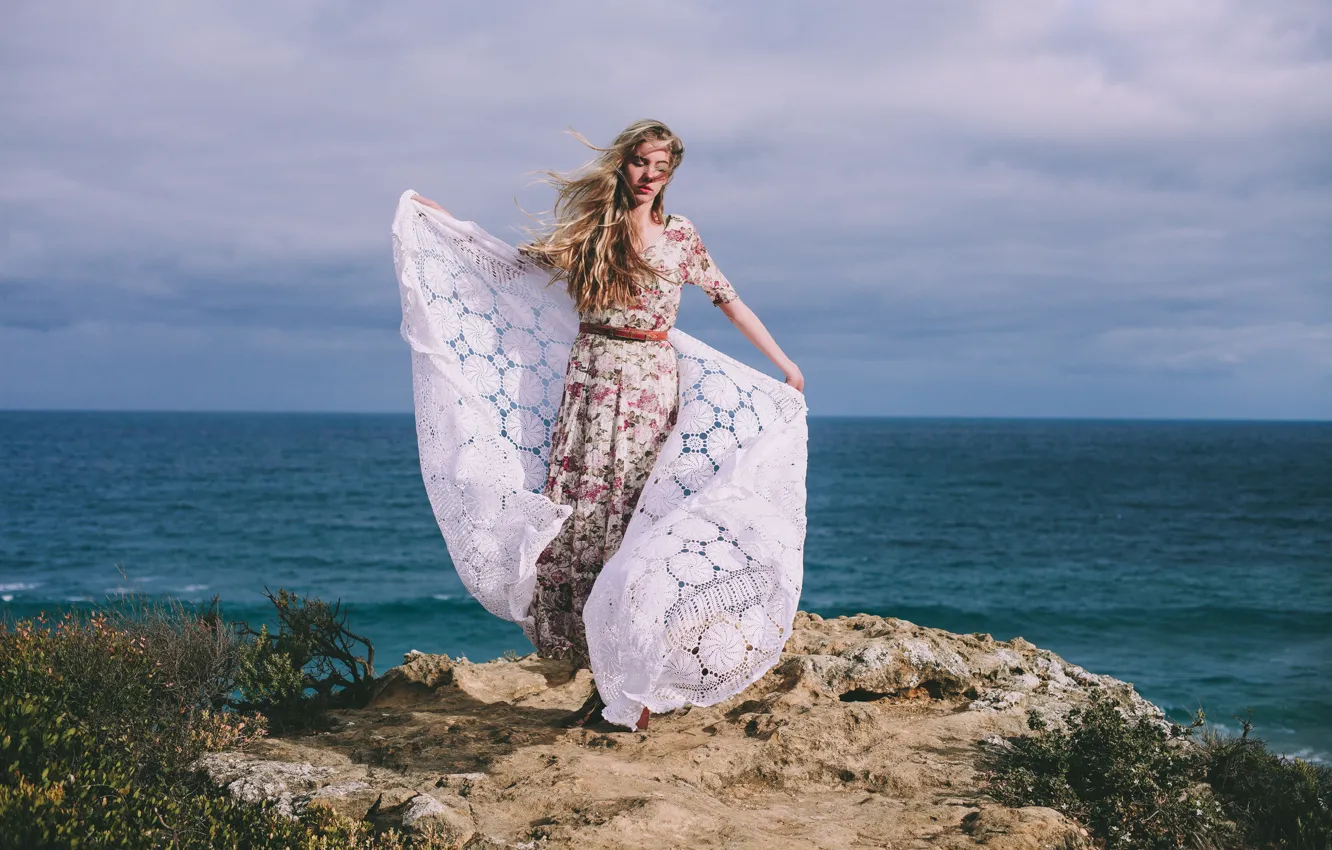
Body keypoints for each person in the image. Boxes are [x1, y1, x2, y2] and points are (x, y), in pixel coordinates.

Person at [408, 119, 803, 731]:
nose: (651, 176)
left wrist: (784, 365)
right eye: (642, 163)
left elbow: (728, 299)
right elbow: (519, 267)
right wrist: (449, 228)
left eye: (662, 168)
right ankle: (608, 684)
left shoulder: (681, 236)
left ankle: (634, 692)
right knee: (587, 529)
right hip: (591, 384)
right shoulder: (598, 229)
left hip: (649, 386)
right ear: (624, 164)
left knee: (634, 524)